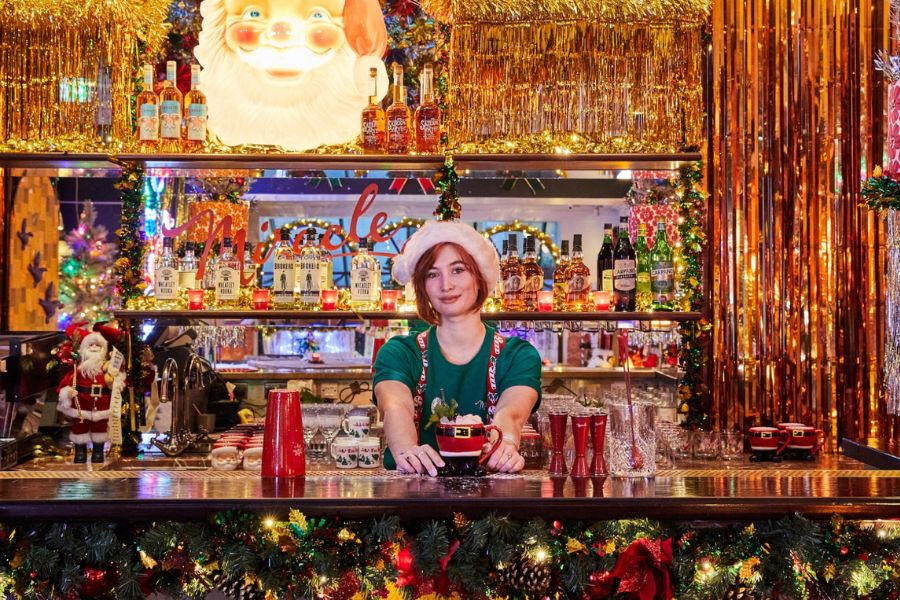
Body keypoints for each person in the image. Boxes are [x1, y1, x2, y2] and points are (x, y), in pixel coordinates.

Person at [374, 220, 542, 476]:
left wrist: (505, 444)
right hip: (409, 505)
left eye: (458, 270)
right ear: (422, 287)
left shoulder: (517, 355)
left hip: (494, 508)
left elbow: (511, 413)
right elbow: (396, 407)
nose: (446, 285)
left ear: (480, 276)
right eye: (432, 274)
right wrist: (406, 449)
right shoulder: (399, 353)